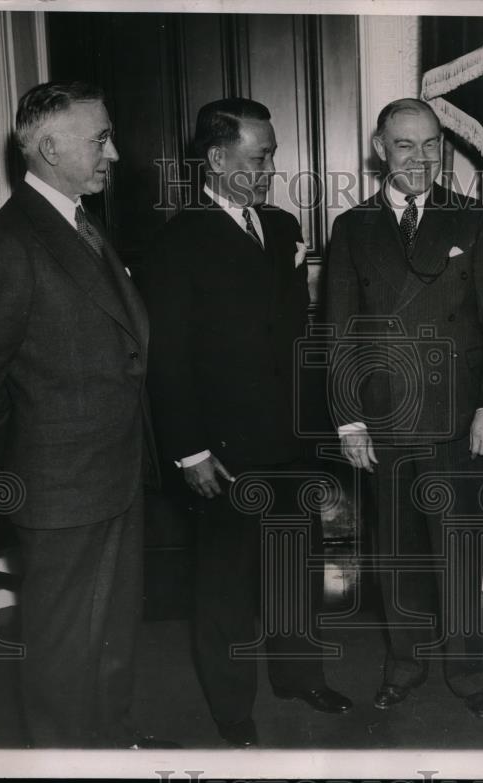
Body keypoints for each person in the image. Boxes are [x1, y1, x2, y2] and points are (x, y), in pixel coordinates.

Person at [0, 81, 170, 749]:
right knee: (61, 651)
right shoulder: (11, 243)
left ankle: (112, 739)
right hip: (59, 484)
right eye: (99, 139)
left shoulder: (77, 220)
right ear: (48, 147)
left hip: (111, 473)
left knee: (111, 630)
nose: (115, 153)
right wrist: (27, 457)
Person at [141, 97, 352, 749]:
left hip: (290, 439)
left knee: (297, 568)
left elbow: (299, 337)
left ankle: (298, 676)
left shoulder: (284, 227)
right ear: (217, 159)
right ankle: (233, 708)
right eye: (260, 158)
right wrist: (190, 450)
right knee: (226, 587)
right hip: (224, 449)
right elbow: (167, 357)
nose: (271, 168)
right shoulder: (175, 241)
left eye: (273, 156)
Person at [325, 98, 483, 719]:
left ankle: (467, 669)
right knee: (396, 553)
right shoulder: (353, 228)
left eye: (432, 144)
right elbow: (339, 330)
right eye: (405, 145)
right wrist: (349, 419)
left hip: (460, 421)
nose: (420, 157)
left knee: (460, 550)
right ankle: (403, 664)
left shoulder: (473, 220)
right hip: (385, 421)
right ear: (381, 149)